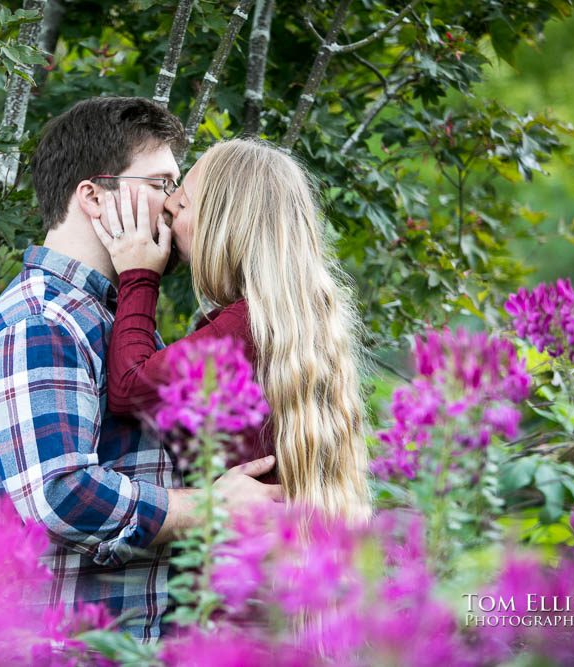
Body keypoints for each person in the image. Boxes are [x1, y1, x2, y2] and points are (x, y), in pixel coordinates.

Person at [0, 99, 283, 642]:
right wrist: (211, 506)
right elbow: (59, 497)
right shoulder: (40, 322)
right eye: (159, 183)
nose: (173, 204)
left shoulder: (117, 321)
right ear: (92, 195)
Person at [89, 138, 372, 524]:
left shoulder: (242, 328)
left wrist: (138, 277)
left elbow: (128, 389)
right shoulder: (282, 320)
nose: (169, 207)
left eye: (184, 203)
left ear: (224, 225)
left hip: (245, 566)